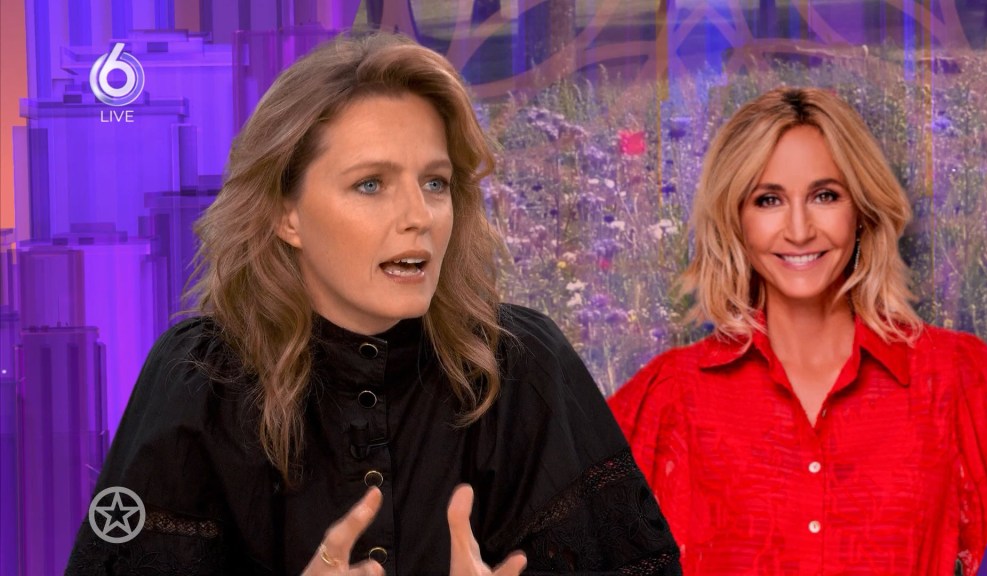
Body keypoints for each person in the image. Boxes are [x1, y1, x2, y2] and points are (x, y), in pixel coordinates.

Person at [66, 32, 680, 576]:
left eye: (435, 183)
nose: (418, 216)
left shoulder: (525, 366)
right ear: (286, 214)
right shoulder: (199, 378)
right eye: (370, 184)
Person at [610, 87, 987, 575]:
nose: (800, 229)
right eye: (768, 200)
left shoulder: (955, 377)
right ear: (736, 219)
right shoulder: (671, 395)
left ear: (861, 210)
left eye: (825, 195)